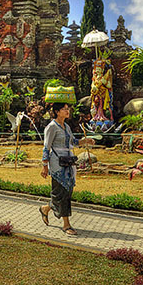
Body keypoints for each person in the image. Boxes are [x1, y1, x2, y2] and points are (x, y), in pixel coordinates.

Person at [38, 89, 95, 236]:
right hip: (57, 164)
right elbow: (46, 147)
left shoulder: (67, 127)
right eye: (64, 109)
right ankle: (66, 224)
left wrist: (85, 141)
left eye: (67, 108)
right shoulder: (51, 127)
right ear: (57, 112)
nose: (67, 111)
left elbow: (73, 142)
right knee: (61, 194)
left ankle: (46, 208)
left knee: (65, 193)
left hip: (68, 163)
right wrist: (45, 166)